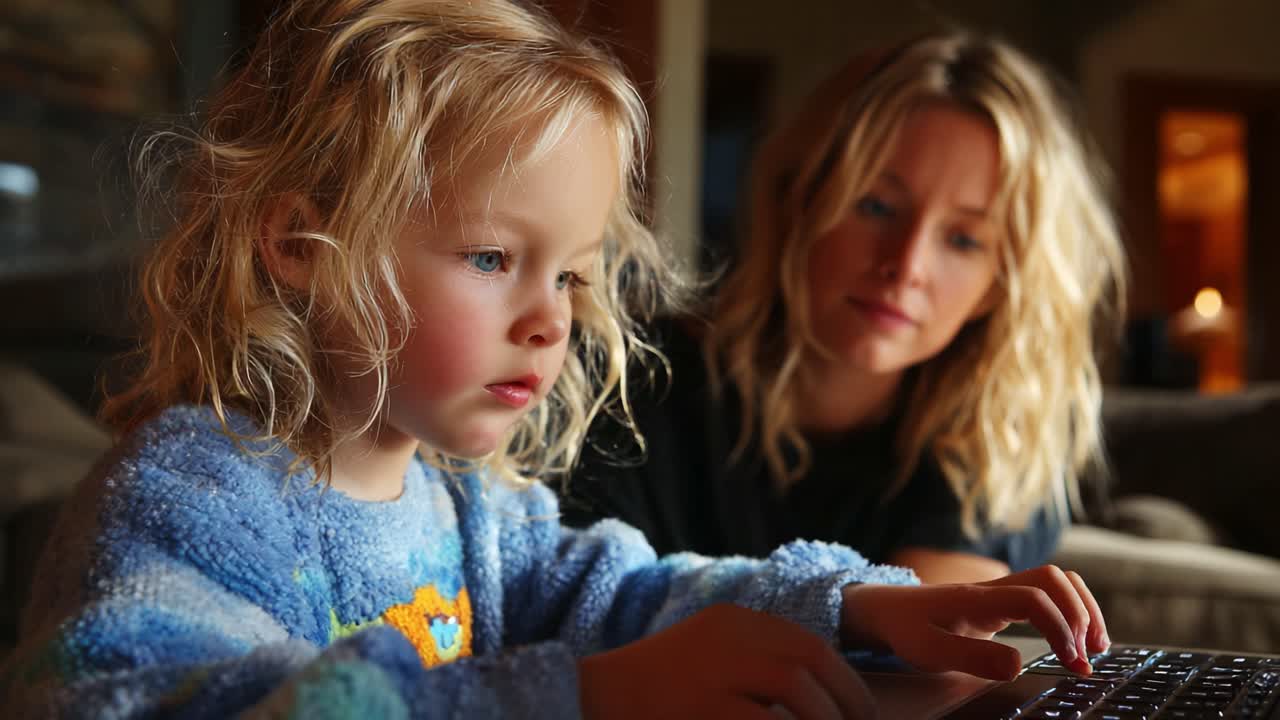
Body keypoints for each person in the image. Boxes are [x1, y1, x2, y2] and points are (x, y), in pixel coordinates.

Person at [0, 6, 1109, 718]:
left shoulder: (471, 511)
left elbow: (624, 593)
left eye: (572, 275)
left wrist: (852, 607)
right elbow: (132, 704)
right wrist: (578, 696)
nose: (551, 321)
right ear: (301, 245)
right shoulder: (195, 494)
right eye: (492, 257)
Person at [566, 31, 1129, 585]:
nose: (906, 265)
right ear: (797, 198)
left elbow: (920, 649)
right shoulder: (619, 379)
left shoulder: (998, 447)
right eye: (877, 205)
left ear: (1000, 285)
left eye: (963, 240)